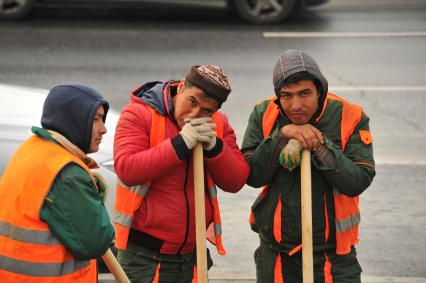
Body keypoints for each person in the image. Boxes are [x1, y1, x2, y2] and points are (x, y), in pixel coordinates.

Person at [242, 50, 375, 283]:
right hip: (276, 253)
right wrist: (281, 136)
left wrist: (319, 144)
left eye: (305, 94)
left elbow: (357, 181)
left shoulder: (350, 115)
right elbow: (251, 175)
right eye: (286, 96)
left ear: (319, 90)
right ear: (277, 97)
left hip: (335, 256)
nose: (296, 105)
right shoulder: (264, 113)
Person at [113, 65, 250, 282]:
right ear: (182, 87)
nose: (194, 115)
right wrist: (180, 144)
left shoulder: (218, 124)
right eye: (192, 102)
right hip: (145, 257)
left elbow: (236, 180)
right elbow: (127, 169)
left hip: (192, 256)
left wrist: (215, 148)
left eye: (206, 111)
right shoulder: (139, 114)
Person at [0, 84, 115, 282]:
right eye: (95, 119)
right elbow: (96, 241)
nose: (103, 129)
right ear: (73, 121)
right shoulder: (67, 174)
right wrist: (93, 196)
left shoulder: (33, 148)